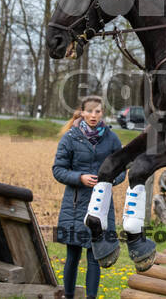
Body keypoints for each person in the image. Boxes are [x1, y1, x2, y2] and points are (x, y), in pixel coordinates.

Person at [52, 96, 126, 299]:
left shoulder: (111, 138)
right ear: (82, 112)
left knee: (95, 256)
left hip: (101, 207)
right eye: (90, 111)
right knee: (73, 256)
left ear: (103, 113)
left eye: (98, 111)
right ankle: (68, 295)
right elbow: (58, 170)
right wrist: (80, 177)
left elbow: (121, 170)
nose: (94, 115)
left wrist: (109, 180)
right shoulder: (70, 137)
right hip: (74, 206)